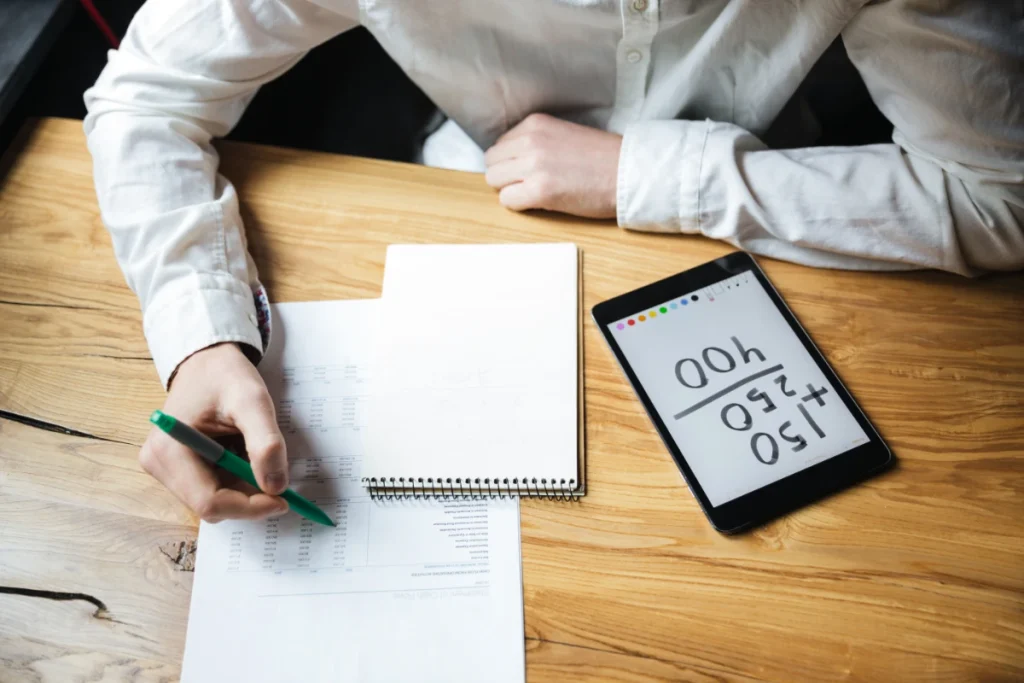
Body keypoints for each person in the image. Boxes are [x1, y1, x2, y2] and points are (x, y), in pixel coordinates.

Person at [83, 0, 1024, 524]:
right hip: (465, 202)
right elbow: (145, 98)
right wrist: (200, 332)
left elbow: (1002, 194)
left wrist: (645, 170)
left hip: (789, 223)